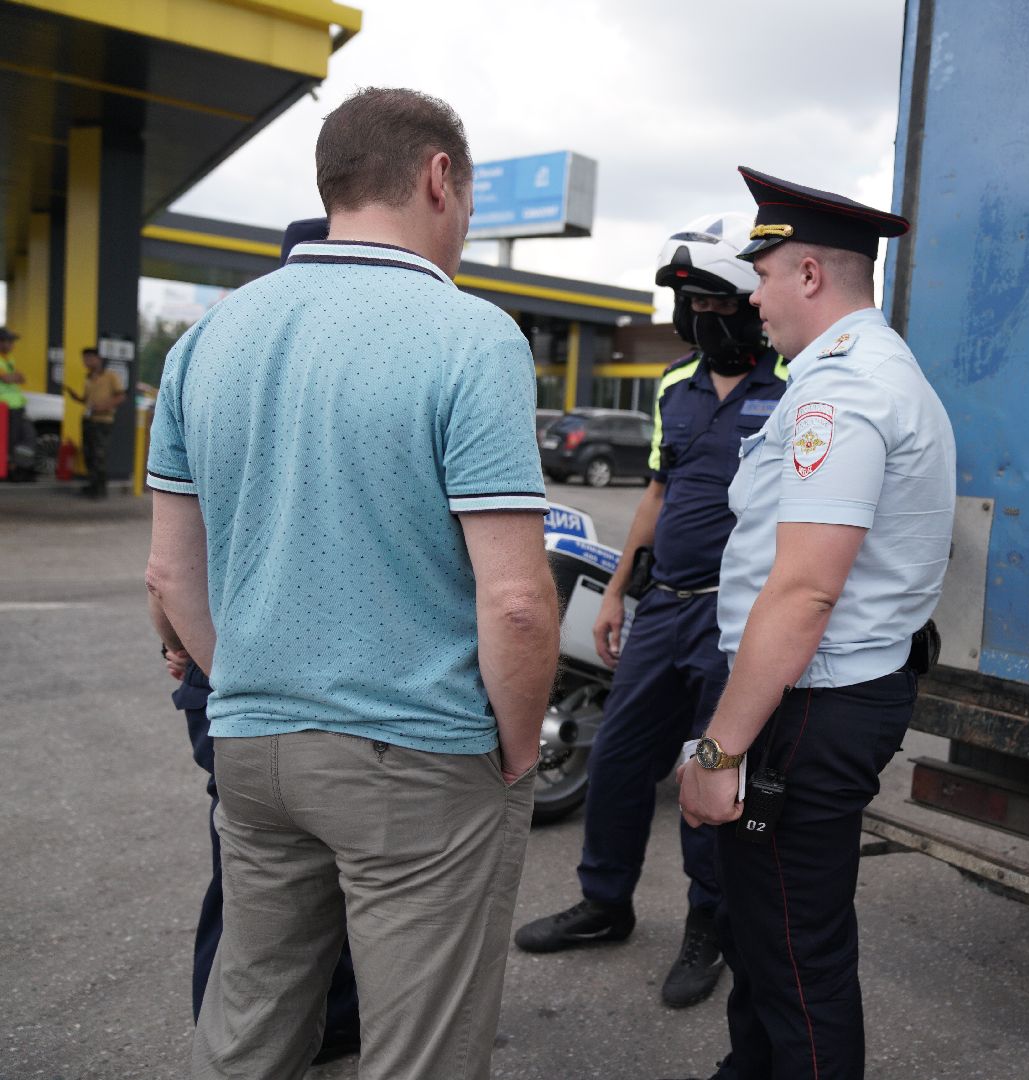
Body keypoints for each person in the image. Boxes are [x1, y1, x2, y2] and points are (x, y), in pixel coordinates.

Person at [144, 87, 560, 1080]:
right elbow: (514, 597)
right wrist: (514, 748)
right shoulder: (470, 335)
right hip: (416, 754)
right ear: (437, 178)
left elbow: (168, 569)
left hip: (250, 746)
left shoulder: (208, 341)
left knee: (249, 1012)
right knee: (418, 1049)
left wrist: (243, 683)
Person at [674, 168, 956, 1080]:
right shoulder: (852, 375)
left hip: (806, 704)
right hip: (815, 695)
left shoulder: (841, 393)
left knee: (798, 957)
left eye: (762, 275)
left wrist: (718, 754)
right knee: (766, 933)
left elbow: (801, 594)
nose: (750, 299)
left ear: (806, 277)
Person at [513, 212, 789, 1009]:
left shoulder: (795, 383)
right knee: (623, 755)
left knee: (709, 769)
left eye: (715, 305)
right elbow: (657, 495)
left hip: (735, 619)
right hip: (662, 607)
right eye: (690, 307)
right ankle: (605, 903)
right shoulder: (674, 387)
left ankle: (709, 926)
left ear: (744, 305)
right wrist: (618, 591)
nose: (702, 320)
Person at [147, 216, 361, 1064]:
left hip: (228, 684)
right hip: (320, 690)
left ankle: (253, 1032)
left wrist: (185, 648)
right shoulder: (350, 389)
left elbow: (166, 567)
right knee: (313, 882)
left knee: (251, 882)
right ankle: (323, 1026)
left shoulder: (214, 366)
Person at [64, 347, 125, 497]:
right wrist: (76, 397)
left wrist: (103, 407)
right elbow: (87, 400)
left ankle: (100, 488)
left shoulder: (110, 376)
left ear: (98, 359)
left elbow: (120, 396)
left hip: (103, 421)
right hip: (88, 420)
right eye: (85, 359)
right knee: (88, 454)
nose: (87, 362)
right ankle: (91, 485)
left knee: (99, 454)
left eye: (90, 358)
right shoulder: (88, 378)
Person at [0, 326, 37, 480]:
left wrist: (14, 377)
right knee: (11, 441)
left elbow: (19, 378)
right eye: (9, 341)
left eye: (12, 342)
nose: (12, 345)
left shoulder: (9, 359)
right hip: (5, 407)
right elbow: (7, 378)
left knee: (29, 436)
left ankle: (22, 468)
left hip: (17, 406)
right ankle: (11, 470)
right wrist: (14, 377)